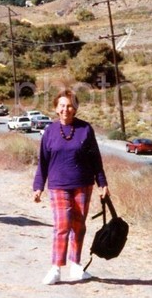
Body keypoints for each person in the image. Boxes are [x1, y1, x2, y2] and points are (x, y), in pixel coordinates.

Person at [32, 88, 109, 285]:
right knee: (62, 225)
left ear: (75, 109)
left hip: (83, 184)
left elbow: (95, 159)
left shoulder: (85, 129)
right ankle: (56, 268)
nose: (66, 109)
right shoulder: (49, 132)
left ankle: (76, 266)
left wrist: (103, 183)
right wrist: (38, 186)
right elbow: (43, 162)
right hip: (58, 186)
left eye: (70, 106)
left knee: (78, 226)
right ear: (56, 109)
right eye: (62, 106)